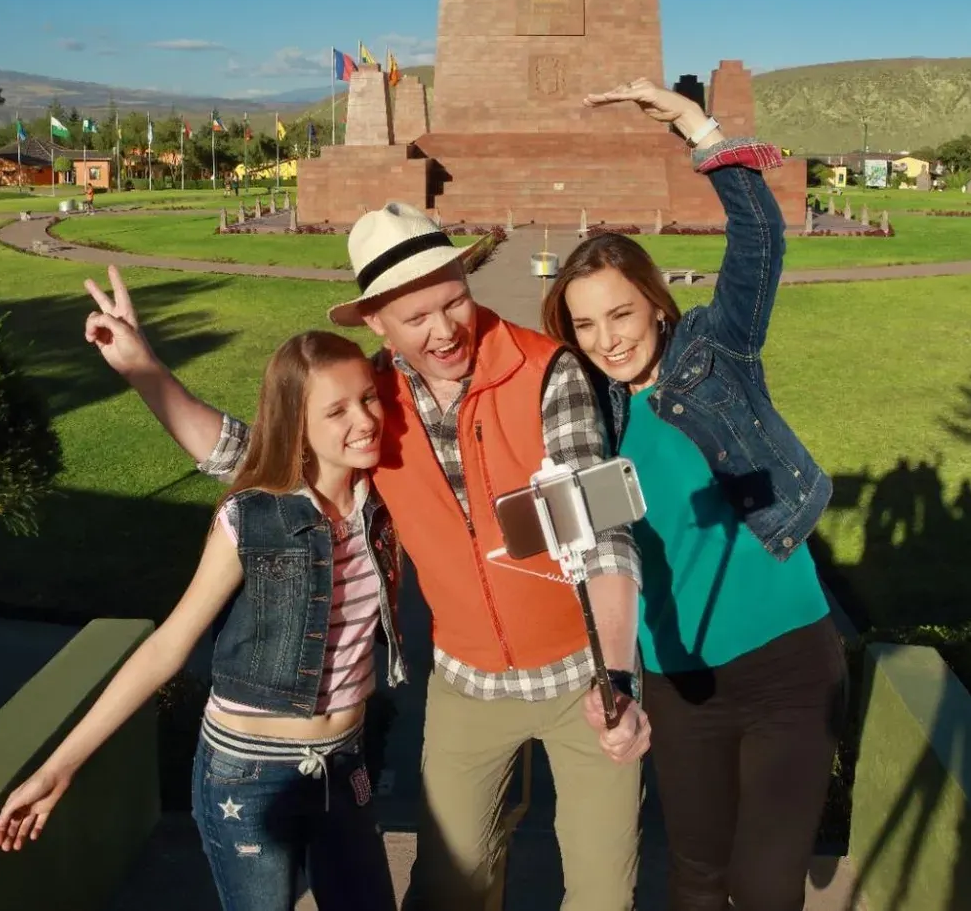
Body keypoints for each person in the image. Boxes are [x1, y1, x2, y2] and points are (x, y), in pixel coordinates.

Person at [79, 223, 650, 909]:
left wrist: (617, 675)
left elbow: (602, 530)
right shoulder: (374, 403)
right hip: (470, 683)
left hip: (584, 670)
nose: (445, 330)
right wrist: (142, 369)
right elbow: (253, 457)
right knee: (447, 892)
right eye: (417, 316)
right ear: (377, 322)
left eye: (455, 301)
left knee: (603, 893)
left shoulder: (546, 371)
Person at [541, 78, 845, 911]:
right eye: (585, 326)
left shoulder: (715, 352)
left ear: (654, 303)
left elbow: (760, 237)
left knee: (764, 885)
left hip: (787, 659)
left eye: (621, 315)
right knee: (699, 879)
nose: (607, 341)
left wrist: (696, 127)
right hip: (680, 682)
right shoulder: (587, 413)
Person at [0, 329, 402, 910]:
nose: (364, 420)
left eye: (368, 398)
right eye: (336, 411)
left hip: (345, 761)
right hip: (247, 775)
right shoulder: (253, 517)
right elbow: (168, 646)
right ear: (297, 426)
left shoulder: (385, 502)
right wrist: (60, 767)